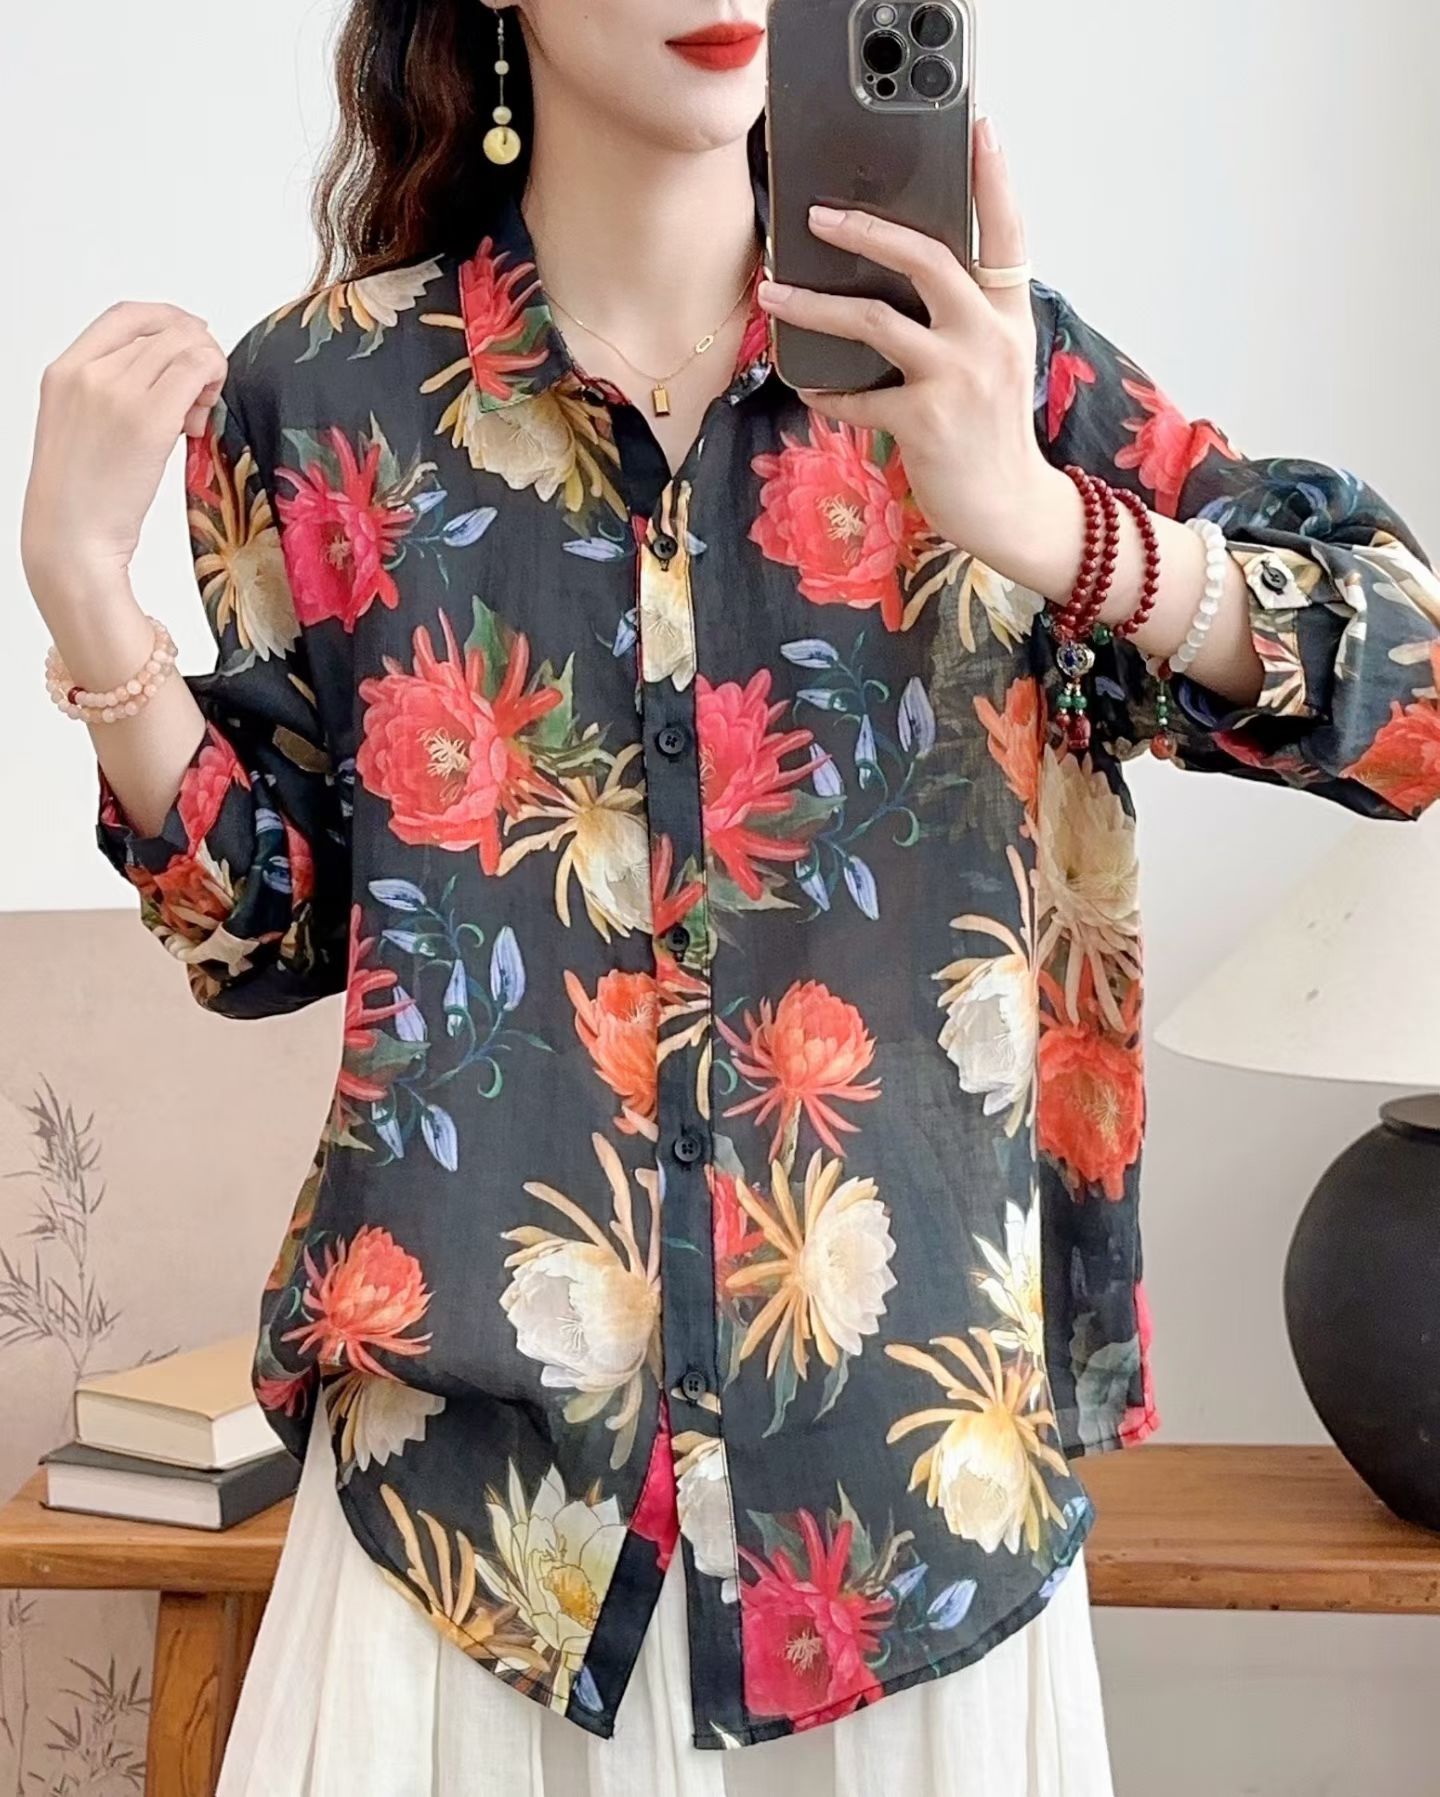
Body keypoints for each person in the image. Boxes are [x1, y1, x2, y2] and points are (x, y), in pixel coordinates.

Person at [20, 3, 1440, 1793]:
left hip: (909, 1533)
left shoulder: (979, 361)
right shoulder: (320, 397)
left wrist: (1039, 518)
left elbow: (1409, 694)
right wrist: (94, 609)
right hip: (467, 1553)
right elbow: (268, 928)